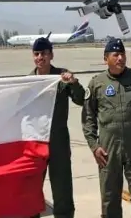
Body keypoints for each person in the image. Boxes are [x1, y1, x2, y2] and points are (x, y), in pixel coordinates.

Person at [82, 38, 131, 218]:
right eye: (115, 55)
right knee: (109, 198)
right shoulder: (97, 84)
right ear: (105, 58)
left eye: (122, 54)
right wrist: (94, 146)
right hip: (108, 150)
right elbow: (88, 118)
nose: (120, 58)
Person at [30, 36, 85, 218]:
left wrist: (74, 83)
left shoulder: (62, 77)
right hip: (36, 142)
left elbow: (80, 99)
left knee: (62, 190)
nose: (40, 57)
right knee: (32, 188)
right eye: (37, 54)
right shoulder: (28, 81)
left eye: (44, 53)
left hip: (58, 142)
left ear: (51, 55)